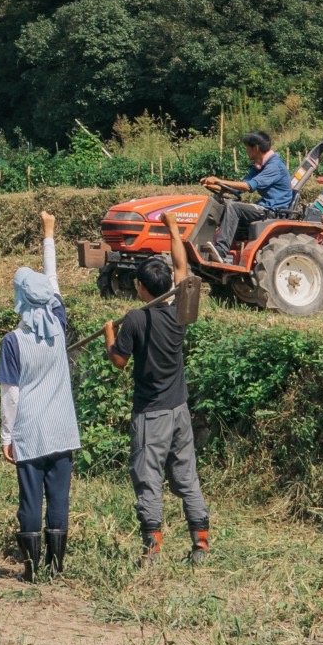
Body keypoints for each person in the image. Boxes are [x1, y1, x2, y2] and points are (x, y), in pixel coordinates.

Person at [106, 234, 210, 566]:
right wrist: (172, 231)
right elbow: (182, 267)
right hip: (180, 410)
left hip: (151, 416)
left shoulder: (135, 319)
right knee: (186, 478)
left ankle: (151, 551)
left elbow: (119, 361)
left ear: (140, 286)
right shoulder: (181, 311)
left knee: (148, 480)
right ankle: (201, 546)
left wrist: (110, 334)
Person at [0, 211, 79, 580]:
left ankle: (31, 570)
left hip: (29, 431)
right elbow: (53, 280)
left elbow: (11, 394)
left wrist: (6, 435)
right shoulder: (59, 325)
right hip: (63, 429)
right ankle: (56, 566)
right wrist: (49, 234)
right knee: (58, 498)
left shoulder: (13, 341)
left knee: (30, 499)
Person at [213, 131, 295, 257]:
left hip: (273, 210)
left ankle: (220, 250)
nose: (246, 151)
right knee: (222, 204)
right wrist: (214, 186)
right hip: (264, 207)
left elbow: (249, 186)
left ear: (256, 148)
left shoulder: (274, 166)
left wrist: (219, 181)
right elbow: (240, 188)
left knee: (234, 207)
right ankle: (217, 245)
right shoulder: (259, 166)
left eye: (247, 148)